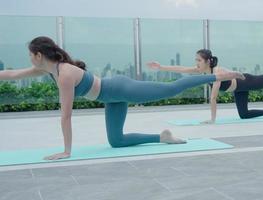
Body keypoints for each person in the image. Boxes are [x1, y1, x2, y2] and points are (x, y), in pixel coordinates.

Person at [0, 37, 245, 160]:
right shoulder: (48, 68)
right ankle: (162, 137)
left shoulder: (63, 74)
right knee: (116, 141)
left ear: (38, 55)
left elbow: (65, 116)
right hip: (111, 98)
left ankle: (218, 77)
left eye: (30, 55)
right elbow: (11, 73)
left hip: (120, 88)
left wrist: (66, 151)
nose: (29, 59)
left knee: (170, 89)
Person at [147, 49, 263, 124]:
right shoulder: (202, 71)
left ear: (207, 61)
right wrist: (161, 66)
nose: (196, 63)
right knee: (244, 115)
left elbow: (214, 97)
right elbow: (181, 68)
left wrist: (212, 119)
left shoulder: (217, 72)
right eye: (196, 60)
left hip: (248, 82)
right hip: (239, 90)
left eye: (198, 60)